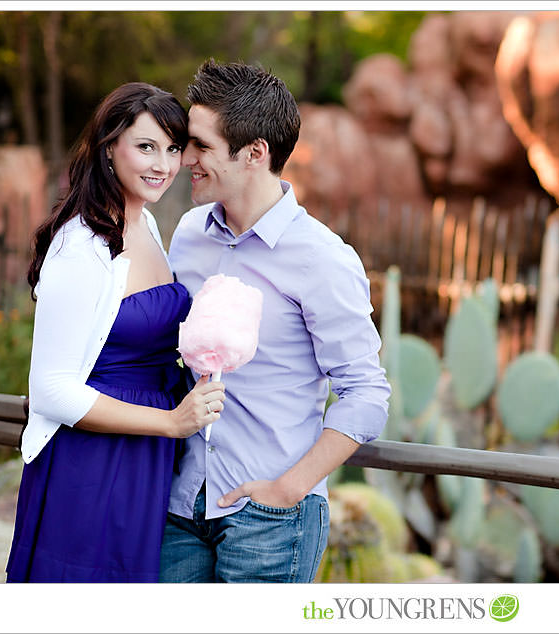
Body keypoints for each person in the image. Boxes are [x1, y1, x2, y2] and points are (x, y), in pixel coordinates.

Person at [160, 60, 390, 583]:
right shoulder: (190, 234)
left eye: (200, 145)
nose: (185, 159)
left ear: (254, 153)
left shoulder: (322, 258)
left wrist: (288, 490)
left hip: (268, 518)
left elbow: (366, 393)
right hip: (180, 506)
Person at [6, 82, 226, 583]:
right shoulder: (81, 245)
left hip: (143, 457)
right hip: (92, 462)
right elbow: (51, 389)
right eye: (146, 146)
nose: (163, 165)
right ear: (109, 146)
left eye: (173, 149)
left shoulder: (145, 223)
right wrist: (171, 423)